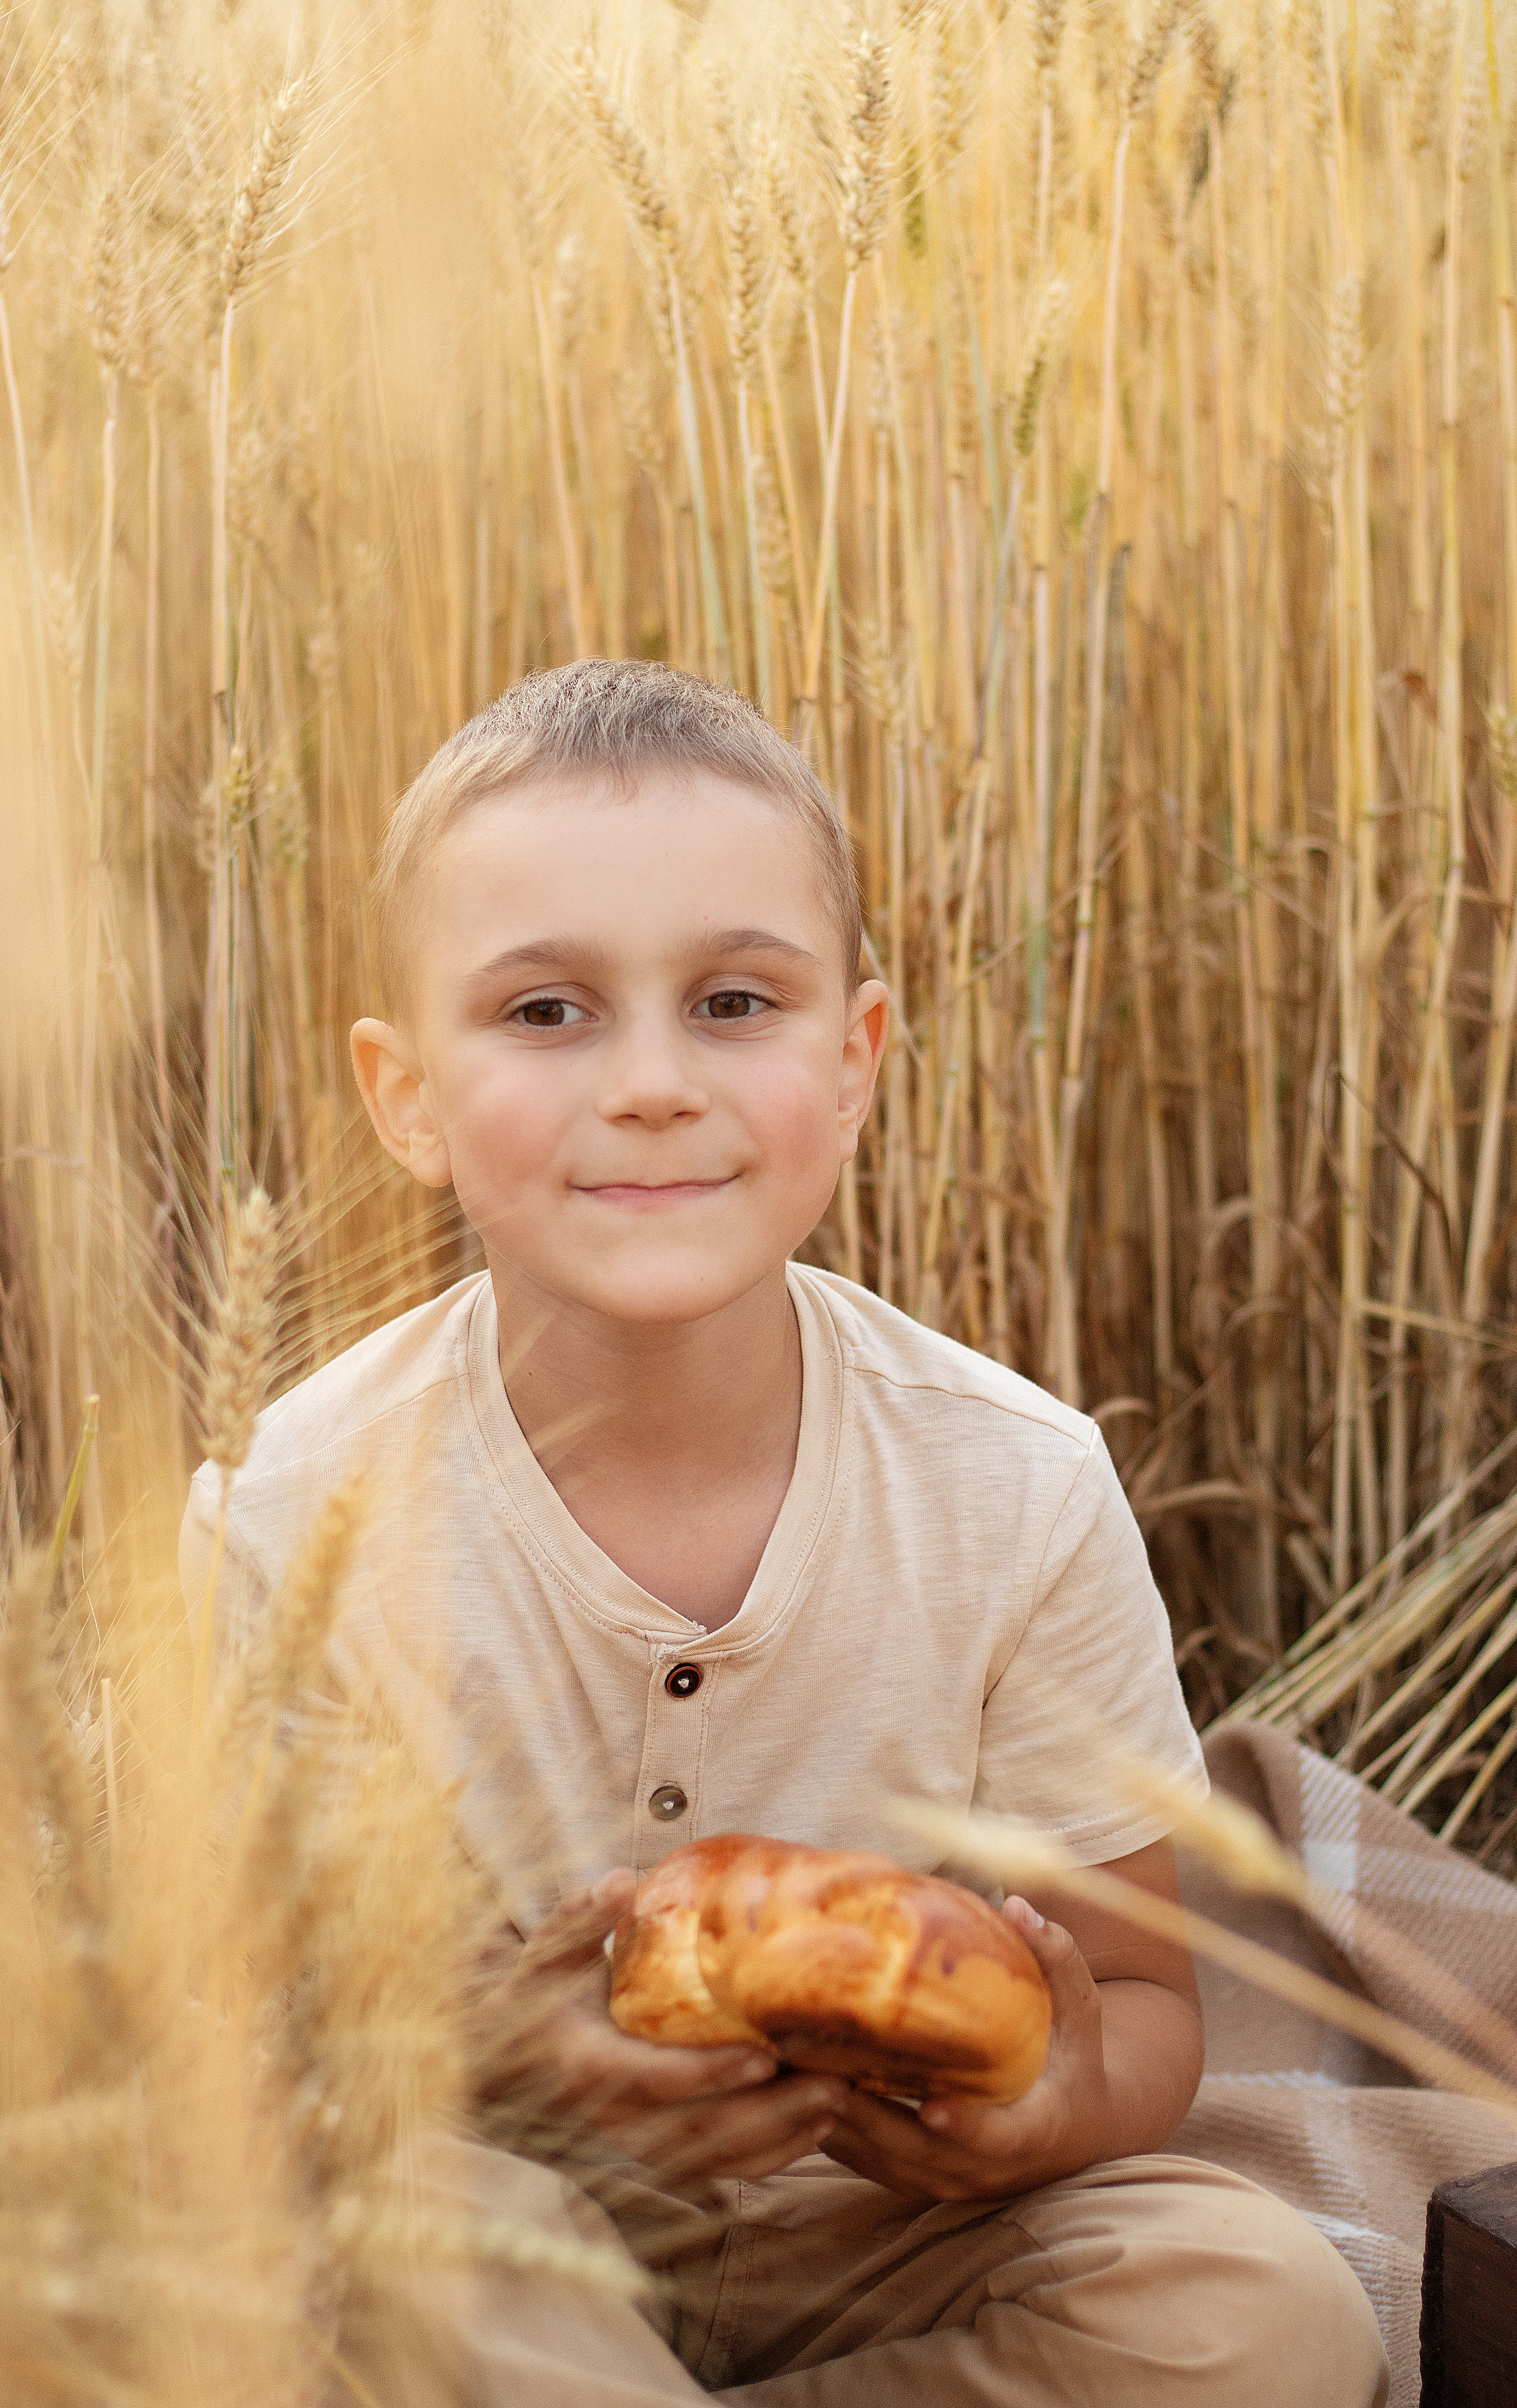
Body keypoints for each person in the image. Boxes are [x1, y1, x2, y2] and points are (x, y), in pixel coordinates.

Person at [181, 659, 1386, 2404]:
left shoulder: (1013, 1486)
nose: (655, 1082)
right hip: (513, 2236)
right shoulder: (303, 1510)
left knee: (1258, 2306)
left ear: (856, 1060)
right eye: (544, 1014)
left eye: (737, 1002)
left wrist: (1048, 2109)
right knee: (374, 2266)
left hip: (873, 2222)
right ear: (406, 1099)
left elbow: (1143, 2004)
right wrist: (490, 2071)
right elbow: (245, 2070)